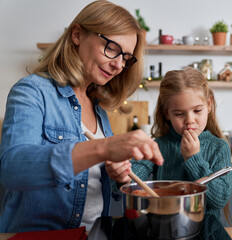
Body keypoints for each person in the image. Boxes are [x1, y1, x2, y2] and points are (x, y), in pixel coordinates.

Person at [0, 0, 163, 233]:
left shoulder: (98, 109)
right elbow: (13, 169)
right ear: (77, 34)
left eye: (126, 57)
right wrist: (103, 148)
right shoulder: (32, 91)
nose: (118, 64)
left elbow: (94, 186)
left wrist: (118, 177)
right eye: (112, 48)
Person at [113, 67, 232, 238]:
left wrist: (193, 158)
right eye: (179, 113)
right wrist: (122, 175)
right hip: (164, 228)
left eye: (197, 111)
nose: (190, 120)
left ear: (209, 105)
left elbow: (218, 199)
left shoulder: (219, 147)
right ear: (166, 113)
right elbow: (128, 182)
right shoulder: (158, 146)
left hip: (203, 231)